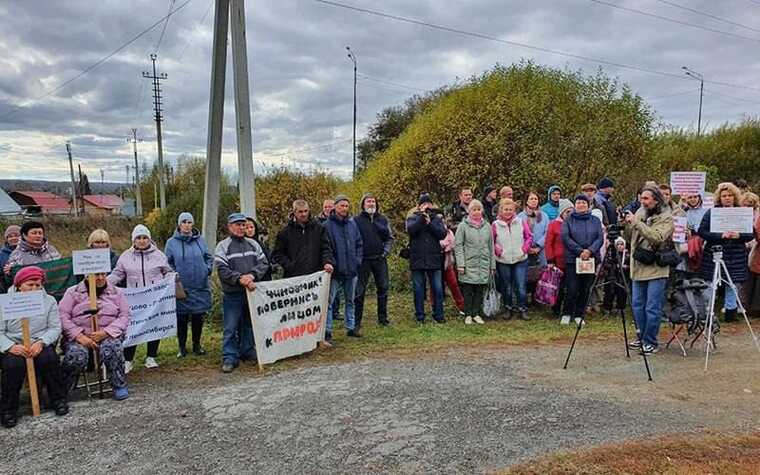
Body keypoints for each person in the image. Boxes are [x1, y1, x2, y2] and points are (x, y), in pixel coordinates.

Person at [0, 267, 68, 428]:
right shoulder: (4, 302)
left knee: (49, 359)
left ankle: (57, 399)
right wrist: (10, 347)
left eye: (38, 285)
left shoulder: (49, 301)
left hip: (38, 342)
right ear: (18, 286)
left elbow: (54, 327)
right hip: (13, 344)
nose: (34, 289)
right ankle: (8, 409)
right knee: (13, 365)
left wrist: (42, 342)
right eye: (30, 285)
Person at [108, 224, 171, 373]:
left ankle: (151, 357)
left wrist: (171, 279)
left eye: (144, 238)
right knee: (133, 328)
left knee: (153, 326)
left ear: (149, 239)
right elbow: (118, 274)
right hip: (135, 300)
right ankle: (128, 360)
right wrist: (105, 282)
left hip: (154, 298)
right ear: (133, 240)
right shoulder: (125, 256)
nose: (142, 241)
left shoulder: (159, 255)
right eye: (138, 238)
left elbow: (167, 271)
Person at [59, 271, 130, 401]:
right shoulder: (73, 292)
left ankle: (118, 384)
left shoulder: (116, 292)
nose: (101, 278)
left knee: (112, 347)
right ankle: (61, 389)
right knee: (76, 355)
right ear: (86, 275)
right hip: (80, 336)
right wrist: (78, 336)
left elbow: (124, 316)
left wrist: (106, 332)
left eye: (103, 274)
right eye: (96, 275)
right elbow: (62, 316)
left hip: (107, 333)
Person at [215, 213, 269, 373]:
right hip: (233, 293)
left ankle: (247, 350)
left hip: (251, 292)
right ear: (229, 227)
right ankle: (230, 356)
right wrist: (240, 279)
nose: (241, 227)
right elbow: (222, 270)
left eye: (243, 225)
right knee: (230, 326)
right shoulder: (223, 246)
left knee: (249, 323)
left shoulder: (253, 244)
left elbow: (263, 263)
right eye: (237, 225)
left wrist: (252, 276)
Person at [624, 186, 674, 354]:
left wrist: (637, 223)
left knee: (652, 307)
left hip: (656, 267)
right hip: (638, 265)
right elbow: (630, 236)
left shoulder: (666, 217)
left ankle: (650, 341)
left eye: (646, 198)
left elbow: (657, 237)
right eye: (641, 198)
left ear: (656, 199)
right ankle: (641, 337)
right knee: (637, 305)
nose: (642, 201)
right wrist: (626, 225)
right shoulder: (639, 212)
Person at [698, 182, 754, 323]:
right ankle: (707, 313)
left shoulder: (743, 212)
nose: (727, 198)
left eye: (730, 195)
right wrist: (720, 236)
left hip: (736, 255)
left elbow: (752, 234)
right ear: (719, 198)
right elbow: (702, 231)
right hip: (714, 254)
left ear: (734, 196)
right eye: (724, 196)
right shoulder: (711, 212)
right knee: (711, 284)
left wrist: (739, 236)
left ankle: (731, 313)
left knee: (733, 284)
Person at [165, 212, 213, 358]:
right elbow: (167, 263)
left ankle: (197, 345)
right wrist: (174, 275)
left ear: (193, 224)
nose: (187, 225)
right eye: (184, 222)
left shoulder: (201, 241)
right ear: (179, 224)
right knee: (182, 319)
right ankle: (181, 347)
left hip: (200, 286)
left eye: (189, 222)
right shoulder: (171, 243)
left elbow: (208, 257)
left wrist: (207, 269)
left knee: (198, 317)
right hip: (181, 287)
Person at [561, 195, 604, 326]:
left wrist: (589, 251)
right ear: (575, 205)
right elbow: (565, 237)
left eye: (583, 203)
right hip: (573, 259)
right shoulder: (568, 220)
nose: (581, 205)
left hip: (590, 259)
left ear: (588, 204)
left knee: (586, 289)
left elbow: (599, 238)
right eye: (578, 202)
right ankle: (567, 313)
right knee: (572, 288)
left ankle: (580, 314)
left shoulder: (595, 220)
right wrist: (580, 251)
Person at [324, 195, 363, 338]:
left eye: (347, 206)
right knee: (329, 301)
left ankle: (351, 327)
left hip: (351, 269)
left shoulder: (352, 224)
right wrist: (330, 263)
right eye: (342, 206)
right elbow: (325, 247)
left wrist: (357, 260)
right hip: (334, 270)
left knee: (350, 300)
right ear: (335, 206)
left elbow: (359, 243)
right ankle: (327, 330)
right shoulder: (327, 226)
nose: (345, 208)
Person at [354, 193, 394, 329]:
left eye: (373, 201)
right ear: (363, 204)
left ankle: (383, 319)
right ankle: (356, 321)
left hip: (379, 258)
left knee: (383, 288)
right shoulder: (356, 220)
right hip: (363, 260)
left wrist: (385, 252)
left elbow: (389, 237)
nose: (371, 204)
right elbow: (352, 240)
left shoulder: (382, 219)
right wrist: (356, 256)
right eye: (368, 201)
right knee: (359, 291)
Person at [406, 193, 448, 324]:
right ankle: (420, 316)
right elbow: (411, 231)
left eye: (428, 203)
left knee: (438, 288)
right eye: (424, 204)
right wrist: (422, 219)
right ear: (419, 207)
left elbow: (442, 234)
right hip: (417, 258)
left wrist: (430, 223)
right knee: (418, 289)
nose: (427, 206)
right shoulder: (412, 218)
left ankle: (439, 315)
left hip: (434, 258)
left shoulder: (437, 218)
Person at [455, 200, 495, 324]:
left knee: (479, 290)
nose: (477, 212)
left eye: (479, 209)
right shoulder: (463, 226)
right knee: (468, 290)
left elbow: (491, 246)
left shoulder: (487, 226)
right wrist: (461, 264)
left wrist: (492, 265)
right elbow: (458, 246)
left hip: (483, 263)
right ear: (469, 211)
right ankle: (468, 314)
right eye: (474, 210)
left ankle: (476, 313)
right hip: (468, 264)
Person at [272, 199, 334, 279]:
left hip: (315, 276)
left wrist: (327, 262)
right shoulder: (285, 232)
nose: (304, 214)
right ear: (294, 212)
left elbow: (325, 248)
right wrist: (291, 266)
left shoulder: (318, 228)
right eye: (300, 212)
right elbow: (277, 254)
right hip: (294, 277)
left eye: (305, 211)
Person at [493, 198, 533, 320]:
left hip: (520, 259)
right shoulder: (495, 225)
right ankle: (508, 308)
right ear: (501, 210)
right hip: (503, 260)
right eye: (505, 209)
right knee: (507, 286)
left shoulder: (521, 222)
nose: (508, 212)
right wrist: (498, 251)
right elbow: (491, 241)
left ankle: (522, 309)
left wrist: (524, 249)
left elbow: (529, 237)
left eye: (510, 209)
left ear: (514, 210)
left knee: (521, 286)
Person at [545, 199, 574, 319]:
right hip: (558, 261)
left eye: (572, 211)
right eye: (567, 212)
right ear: (562, 212)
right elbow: (548, 243)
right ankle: (555, 308)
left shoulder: (575, 223)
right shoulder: (554, 224)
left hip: (572, 260)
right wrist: (550, 260)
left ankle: (569, 309)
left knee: (572, 287)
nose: (570, 214)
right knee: (559, 288)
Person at [318, 199, 341, 321]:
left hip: (337, 260)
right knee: (327, 291)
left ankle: (336, 311)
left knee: (336, 291)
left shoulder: (339, 222)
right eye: (325, 207)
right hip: (324, 261)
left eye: (330, 207)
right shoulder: (318, 223)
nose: (328, 209)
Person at [518, 191, 549, 267]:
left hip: (541, 250)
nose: (534, 200)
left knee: (541, 274)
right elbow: (518, 233)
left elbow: (547, 232)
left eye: (536, 199)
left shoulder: (544, 216)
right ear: (527, 201)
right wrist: (527, 247)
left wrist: (539, 246)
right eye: (531, 198)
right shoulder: (520, 217)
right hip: (525, 250)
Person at [439, 225, 465, 314]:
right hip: (436, 262)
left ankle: (461, 305)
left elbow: (453, 245)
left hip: (448, 262)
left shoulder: (449, 233)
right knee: (436, 286)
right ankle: (436, 306)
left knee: (453, 284)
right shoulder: (432, 230)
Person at [245, 216, 273, 281]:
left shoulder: (260, 243)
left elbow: (267, 260)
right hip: (250, 279)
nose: (250, 230)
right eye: (247, 228)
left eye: (251, 227)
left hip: (265, 279)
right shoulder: (241, 245)